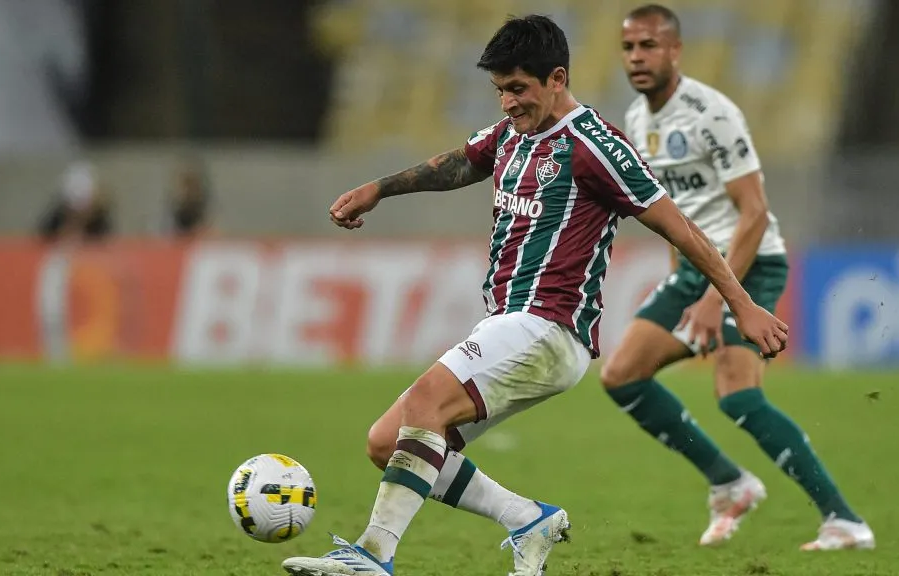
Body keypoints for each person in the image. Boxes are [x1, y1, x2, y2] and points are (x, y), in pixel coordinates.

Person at [282, 14, 788, 576]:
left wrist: (741, 304)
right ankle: (528, 518)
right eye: (500, 90)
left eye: (518, 89)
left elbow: (680, 226)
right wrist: (379, 189)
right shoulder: (510, 136)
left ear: (557, 78)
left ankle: (372, 557)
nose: (507, 103)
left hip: (550, 327)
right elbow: (456, 164)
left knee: (425, 403)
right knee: (388, 442)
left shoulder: (595, 147)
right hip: (509, 324)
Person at [601, 4, 875, 551]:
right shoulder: (637, 119)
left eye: (649, 45)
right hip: (697, 271)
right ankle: (729, 482)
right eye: (629, 47)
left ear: (674, 50)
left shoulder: (711, 111)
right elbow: (676, 211)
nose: (637, 57)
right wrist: (686, 280)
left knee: (736, 395)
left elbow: (752, 211)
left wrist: (710, 300)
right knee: (622, 375)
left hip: (750, 263)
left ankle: (844, 521)